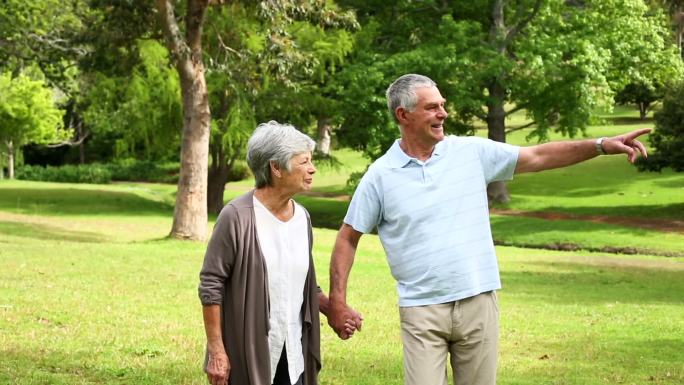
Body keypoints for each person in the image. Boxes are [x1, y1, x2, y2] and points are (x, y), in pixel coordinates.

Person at [326, 74, 650, 385]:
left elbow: (537, 156)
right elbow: (347, 238)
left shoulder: (471, 153)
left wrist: (600, 144)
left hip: (478, 301)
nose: (444, 113)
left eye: (442, 104)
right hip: (422, 309)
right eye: (432, 107)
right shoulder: (381, 175)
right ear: (403, 114)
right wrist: (337, 303)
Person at [199, 121, 363, 385]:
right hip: (249, 352)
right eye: (304, 162)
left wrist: (335, 309)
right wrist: (216, 350)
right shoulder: (236, 217)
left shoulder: (302, 218)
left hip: (294, 352)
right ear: (275, 167)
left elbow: (303, 285)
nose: (312, 169)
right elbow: (211, 285)